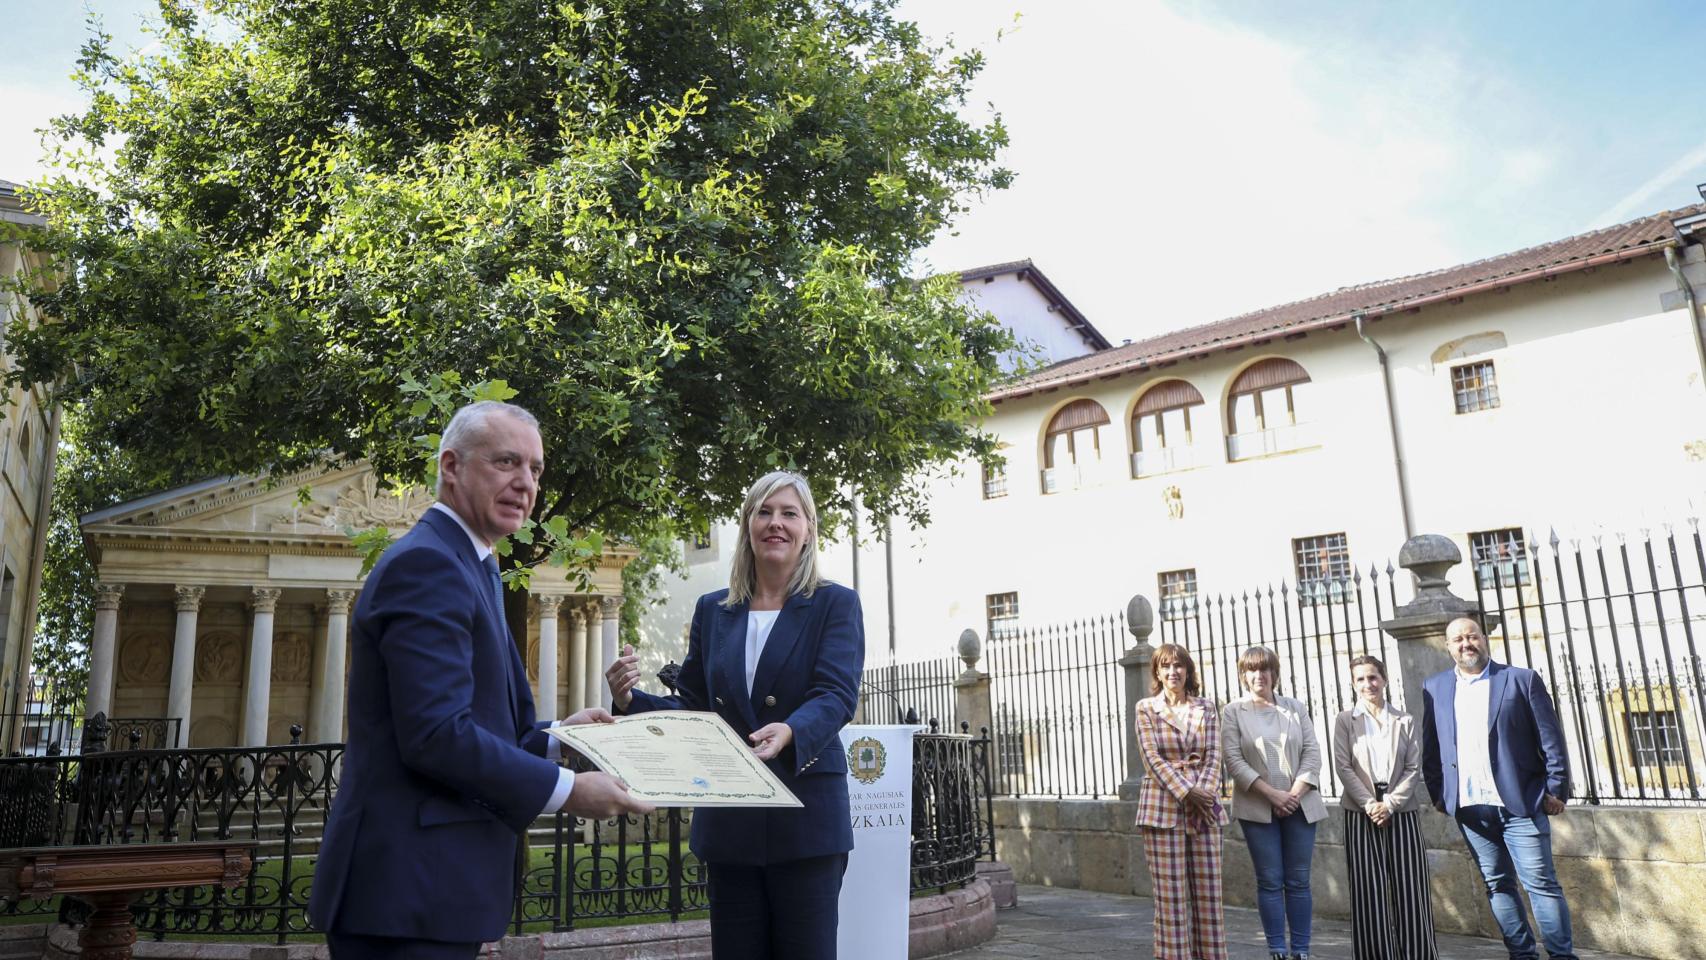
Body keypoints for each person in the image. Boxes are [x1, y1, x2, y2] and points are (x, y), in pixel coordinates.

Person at [308, 401, 654, 959]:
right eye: (506, 463)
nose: (525, 484)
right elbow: (436, 735)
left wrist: (560, 735)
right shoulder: (429, 565)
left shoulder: (474, 565)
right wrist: (568, 791)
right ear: (451, 467)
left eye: (536, 470)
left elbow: (475, 717)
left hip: (433, 893)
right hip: (406, 896)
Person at [605, 471, 862, 960]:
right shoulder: (714, 610)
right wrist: (628, 702)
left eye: (789, 513)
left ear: (809, 527)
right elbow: (694, 707)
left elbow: (835, 694)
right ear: (747, 525)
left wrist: (791, 730)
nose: (775, 523)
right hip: (730, 825)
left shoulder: (836, 604)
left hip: (805, 816)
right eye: (763, 512)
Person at [1421, 617, 1577, 960]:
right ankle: (1522, 956)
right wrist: (1439, 793)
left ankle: (1562, 956)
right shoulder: (1435, 688)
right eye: (1458, 639)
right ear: (1448, 647)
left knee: (1542, 887)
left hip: (1520, 804)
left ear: (1484, 639)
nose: (1466, 644)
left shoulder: (1520, 680)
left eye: (1472, 636)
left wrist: (1556, 788)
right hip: (1471, 809)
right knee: (1497, 886)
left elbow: (1550, 738)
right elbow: (1431, 748)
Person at [1221, 645, 1326, 960]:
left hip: (1300, 805)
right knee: (1269, 880)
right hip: (1258, 807)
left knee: (1298, 880)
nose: (1259, 675)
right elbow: (1234, 761)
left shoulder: (1295, 707)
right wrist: (1273, 794)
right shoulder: (1232, 712)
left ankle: (1302, 949)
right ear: (1243, 675)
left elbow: (1312, 752)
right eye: (1251, 670)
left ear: (1274, 672)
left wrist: (1293, 794)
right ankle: (1277, 948)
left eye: (1264, 669)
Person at [1331, 654, 1437, 960]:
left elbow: (1413, 768)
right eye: (1361, 679)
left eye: (1373, 677)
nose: (1368, 684)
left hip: (1401, 809)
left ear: (1384, 679)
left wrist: (1389, 804)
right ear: (1353, 684)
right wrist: (1369, 804)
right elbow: (1343, 766)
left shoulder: (1404, 720)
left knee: (1410, 885)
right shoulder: (1344, 721)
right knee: (1368, 889)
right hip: (1359, 810)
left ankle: (1419, 954)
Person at [1133, 643, 1228, 960]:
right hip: (1162, 811)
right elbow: (1152, 759)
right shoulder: (1146, 708)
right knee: (1171, 899)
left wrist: (1204, 793)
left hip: (1205, 811)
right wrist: (1188, 792)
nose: (1173, 672)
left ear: (1188, 671)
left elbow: (1214, 756)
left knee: (1209, 897)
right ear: (1157, 672)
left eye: (1179, 666)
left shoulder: (1207, 708)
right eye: (1166, 666)